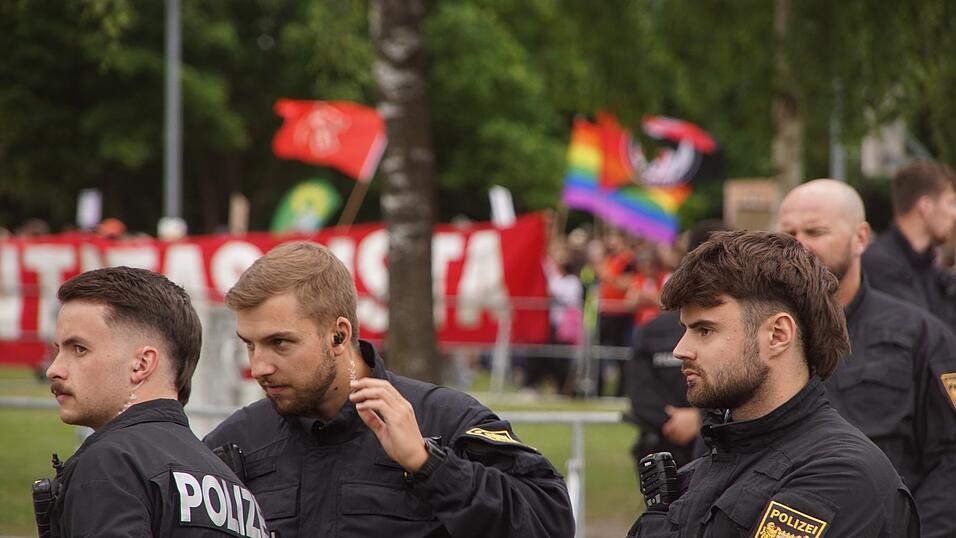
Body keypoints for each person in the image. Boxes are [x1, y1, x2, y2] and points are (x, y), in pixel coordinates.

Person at [203, 242, 574, 538]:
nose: (259, 367)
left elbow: (550, 522)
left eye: (280, 343)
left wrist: (431, 465)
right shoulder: (237, 442)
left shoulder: (443, 419)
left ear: (339, 335)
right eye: (250, 345)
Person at [627, 231, 918, 537]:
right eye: (686, 329)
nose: (680, 350)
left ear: (778, 335)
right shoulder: (709, 466)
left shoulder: (841, 476)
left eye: (705, 330)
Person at [779, 179, 956, 537]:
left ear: (860, 238)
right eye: (787, 233)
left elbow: (950, 457)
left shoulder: (921, 335)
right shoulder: (763, 337)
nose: (798, 244)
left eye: (814, 231)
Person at [44, 267, 270, 536]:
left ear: (142, 364)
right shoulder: (232, 485)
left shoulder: (113, 462)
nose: (54, 369)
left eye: (79, 349)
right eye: (58, 350)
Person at [624, 220, 728, 471]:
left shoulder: (747, 329)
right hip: (665, 451)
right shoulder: (654, 330)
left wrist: (699, 419)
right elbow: (639, 391)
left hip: (723, 451)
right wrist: (677, 421)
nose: (683, 349)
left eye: (704, 331)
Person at [862, 159, 956, 330]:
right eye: (951, 203)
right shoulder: (880, 264)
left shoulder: (927, 265)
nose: (954, 214)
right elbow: (927, 334)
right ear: (925, 206)